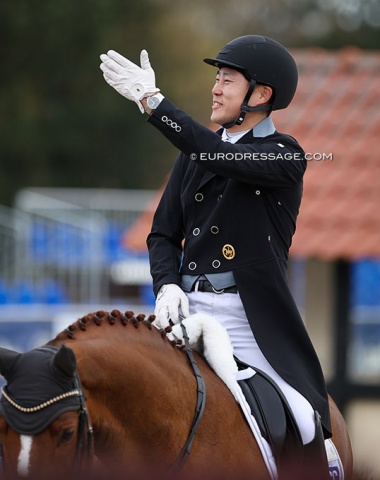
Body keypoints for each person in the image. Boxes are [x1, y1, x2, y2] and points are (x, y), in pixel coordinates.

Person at [100, 35, 332, 476]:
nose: (215, 88)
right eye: (216, 78)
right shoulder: (193, 156)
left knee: (303, 417)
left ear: (260, 95)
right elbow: (162, 235)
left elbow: (222, 157)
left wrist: (153, 102)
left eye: (227, 79)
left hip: (248, 320)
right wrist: (166, 284)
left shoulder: (285, 155)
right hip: (185, 307)